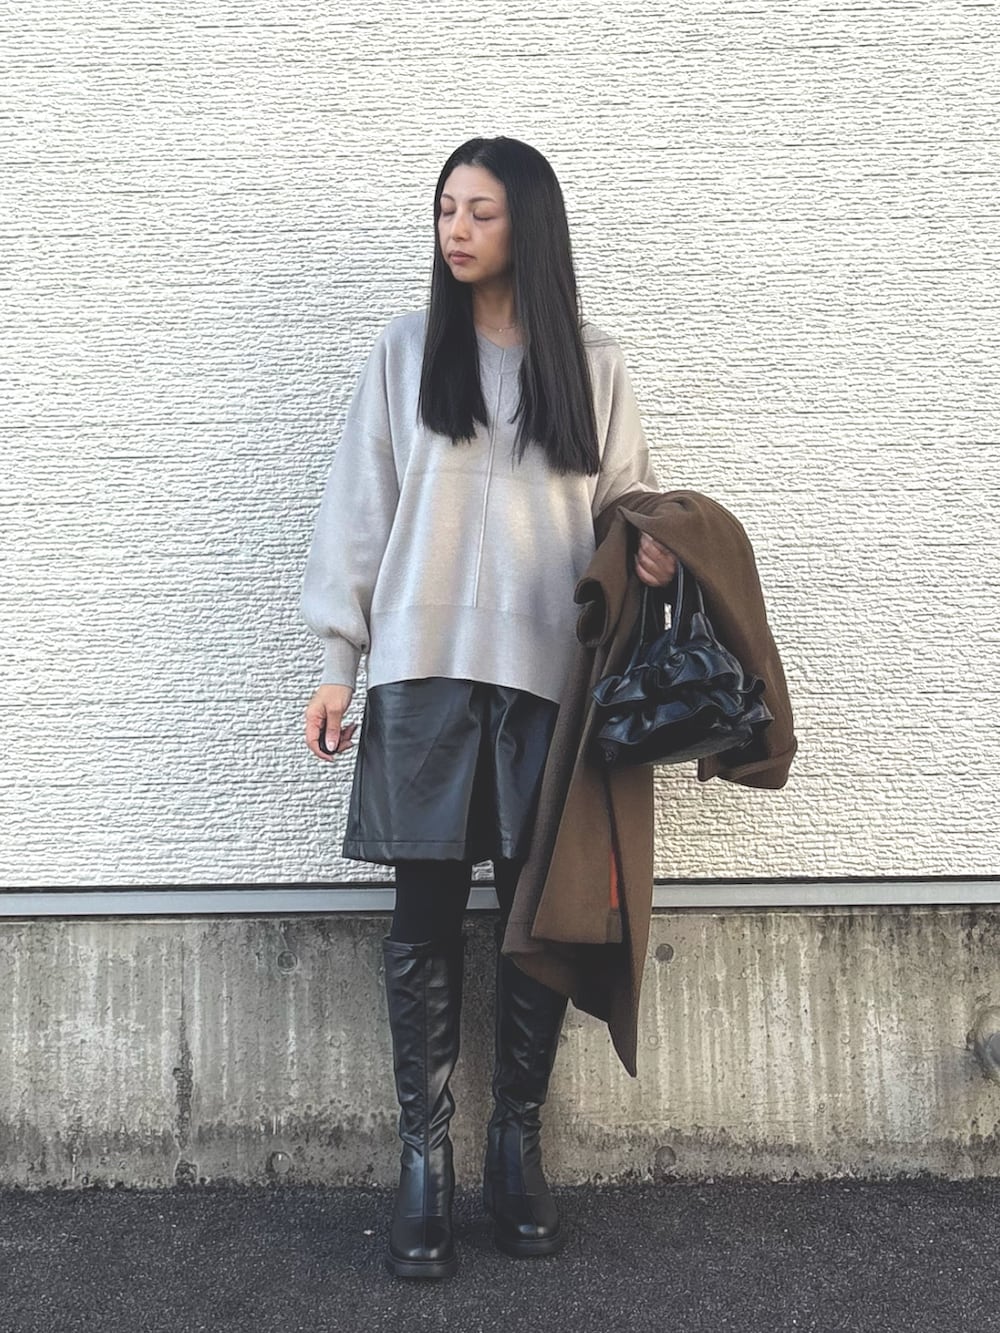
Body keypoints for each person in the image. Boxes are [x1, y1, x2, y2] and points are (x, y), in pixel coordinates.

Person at [299, 135, 677, 1281]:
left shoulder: (594, 364)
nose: (455, 230)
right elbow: (359, 504)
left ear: (530, 226)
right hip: (421, 668)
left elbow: (623, 502)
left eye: (480, 212)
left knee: (533, 914)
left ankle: (516, 1142)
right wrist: (337, 658)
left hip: (546, 678)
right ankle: (424, 1158)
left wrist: (650, 549)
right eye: (445, 210)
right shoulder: (409, 350)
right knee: (421, 915)